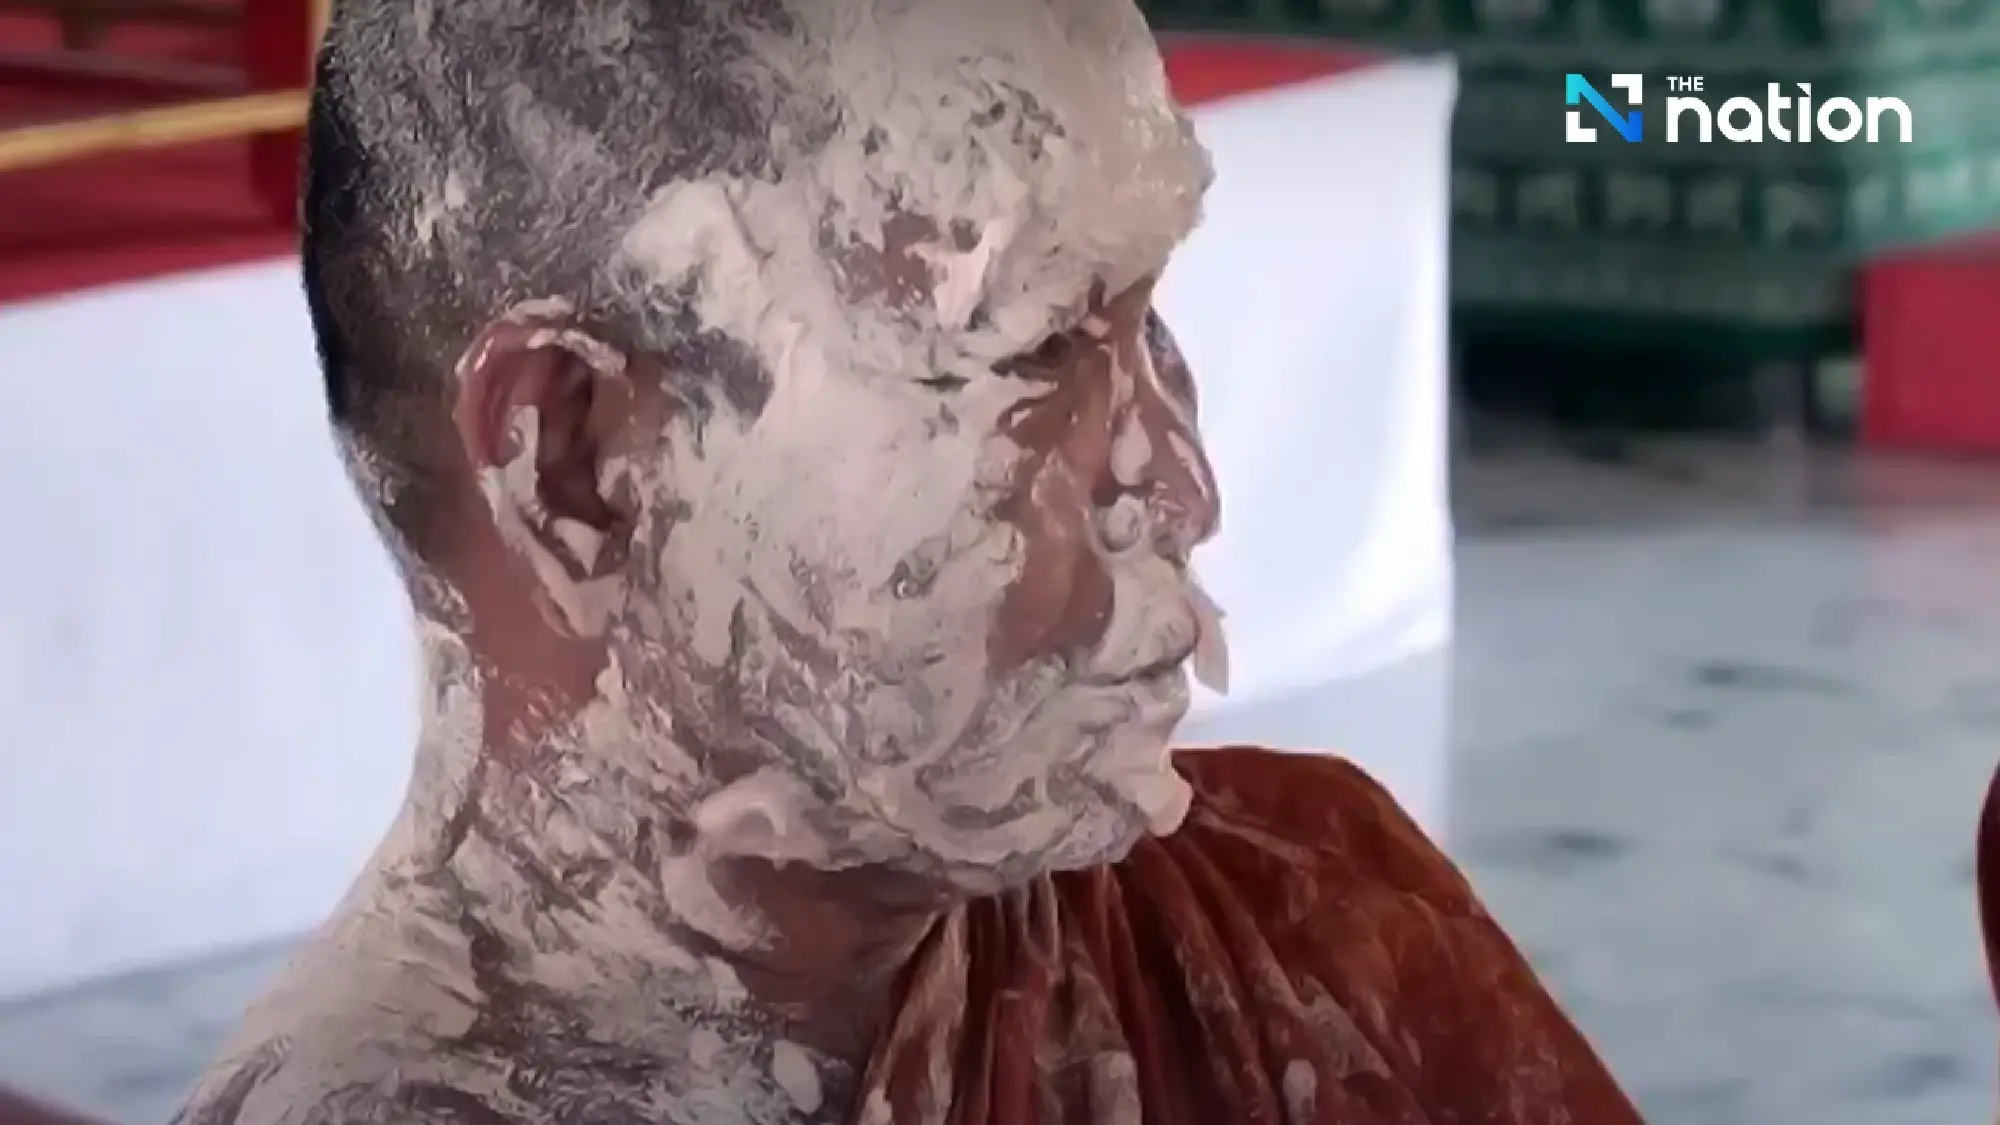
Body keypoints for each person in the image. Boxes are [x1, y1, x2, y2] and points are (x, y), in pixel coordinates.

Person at [175, 1, 1643, 1122]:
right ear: (579, 473)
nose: (1179, 484)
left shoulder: (1311, 953)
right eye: (1035, 352)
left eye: (1149, 317)